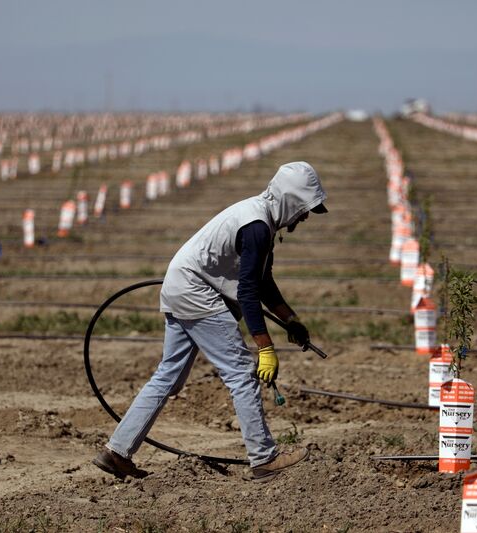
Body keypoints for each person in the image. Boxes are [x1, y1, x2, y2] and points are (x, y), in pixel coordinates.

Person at [93, 161, 327, 483]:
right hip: (195, 292)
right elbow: (247, 291)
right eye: (305, 209)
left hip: (180, 285)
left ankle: (116, 452)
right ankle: (263, 458)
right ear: (292, 200)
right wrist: (265, 347)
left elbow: (262, 281)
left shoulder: (261, 221)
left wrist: (290, 319)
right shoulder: (257, 226)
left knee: (168, 377)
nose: (305, 217)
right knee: (242, 373)